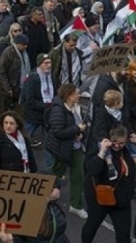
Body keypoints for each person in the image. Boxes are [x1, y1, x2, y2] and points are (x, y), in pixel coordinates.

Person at [81, 125, 136, 243]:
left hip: (121, 200)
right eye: (114, 141)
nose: (117, 145)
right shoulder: (98, 148)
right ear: (109, 138)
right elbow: (92, 169)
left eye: (121, 143)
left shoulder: (129, 150)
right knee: (91, 226)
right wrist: (102, 153)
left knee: (123, 235)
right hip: (99, 198)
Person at [46, 84, 87, 219]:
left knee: (78, 176)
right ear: (69, 95)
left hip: (74, 147)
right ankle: (46, 196)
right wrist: (76, 130)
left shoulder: (77, 108)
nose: (79, 95)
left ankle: (76, 205)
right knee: (55, 175)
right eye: (76, 93)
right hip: (61, 149)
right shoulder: (58, 110)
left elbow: (80, 127)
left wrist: (81, 134)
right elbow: (58, 131)